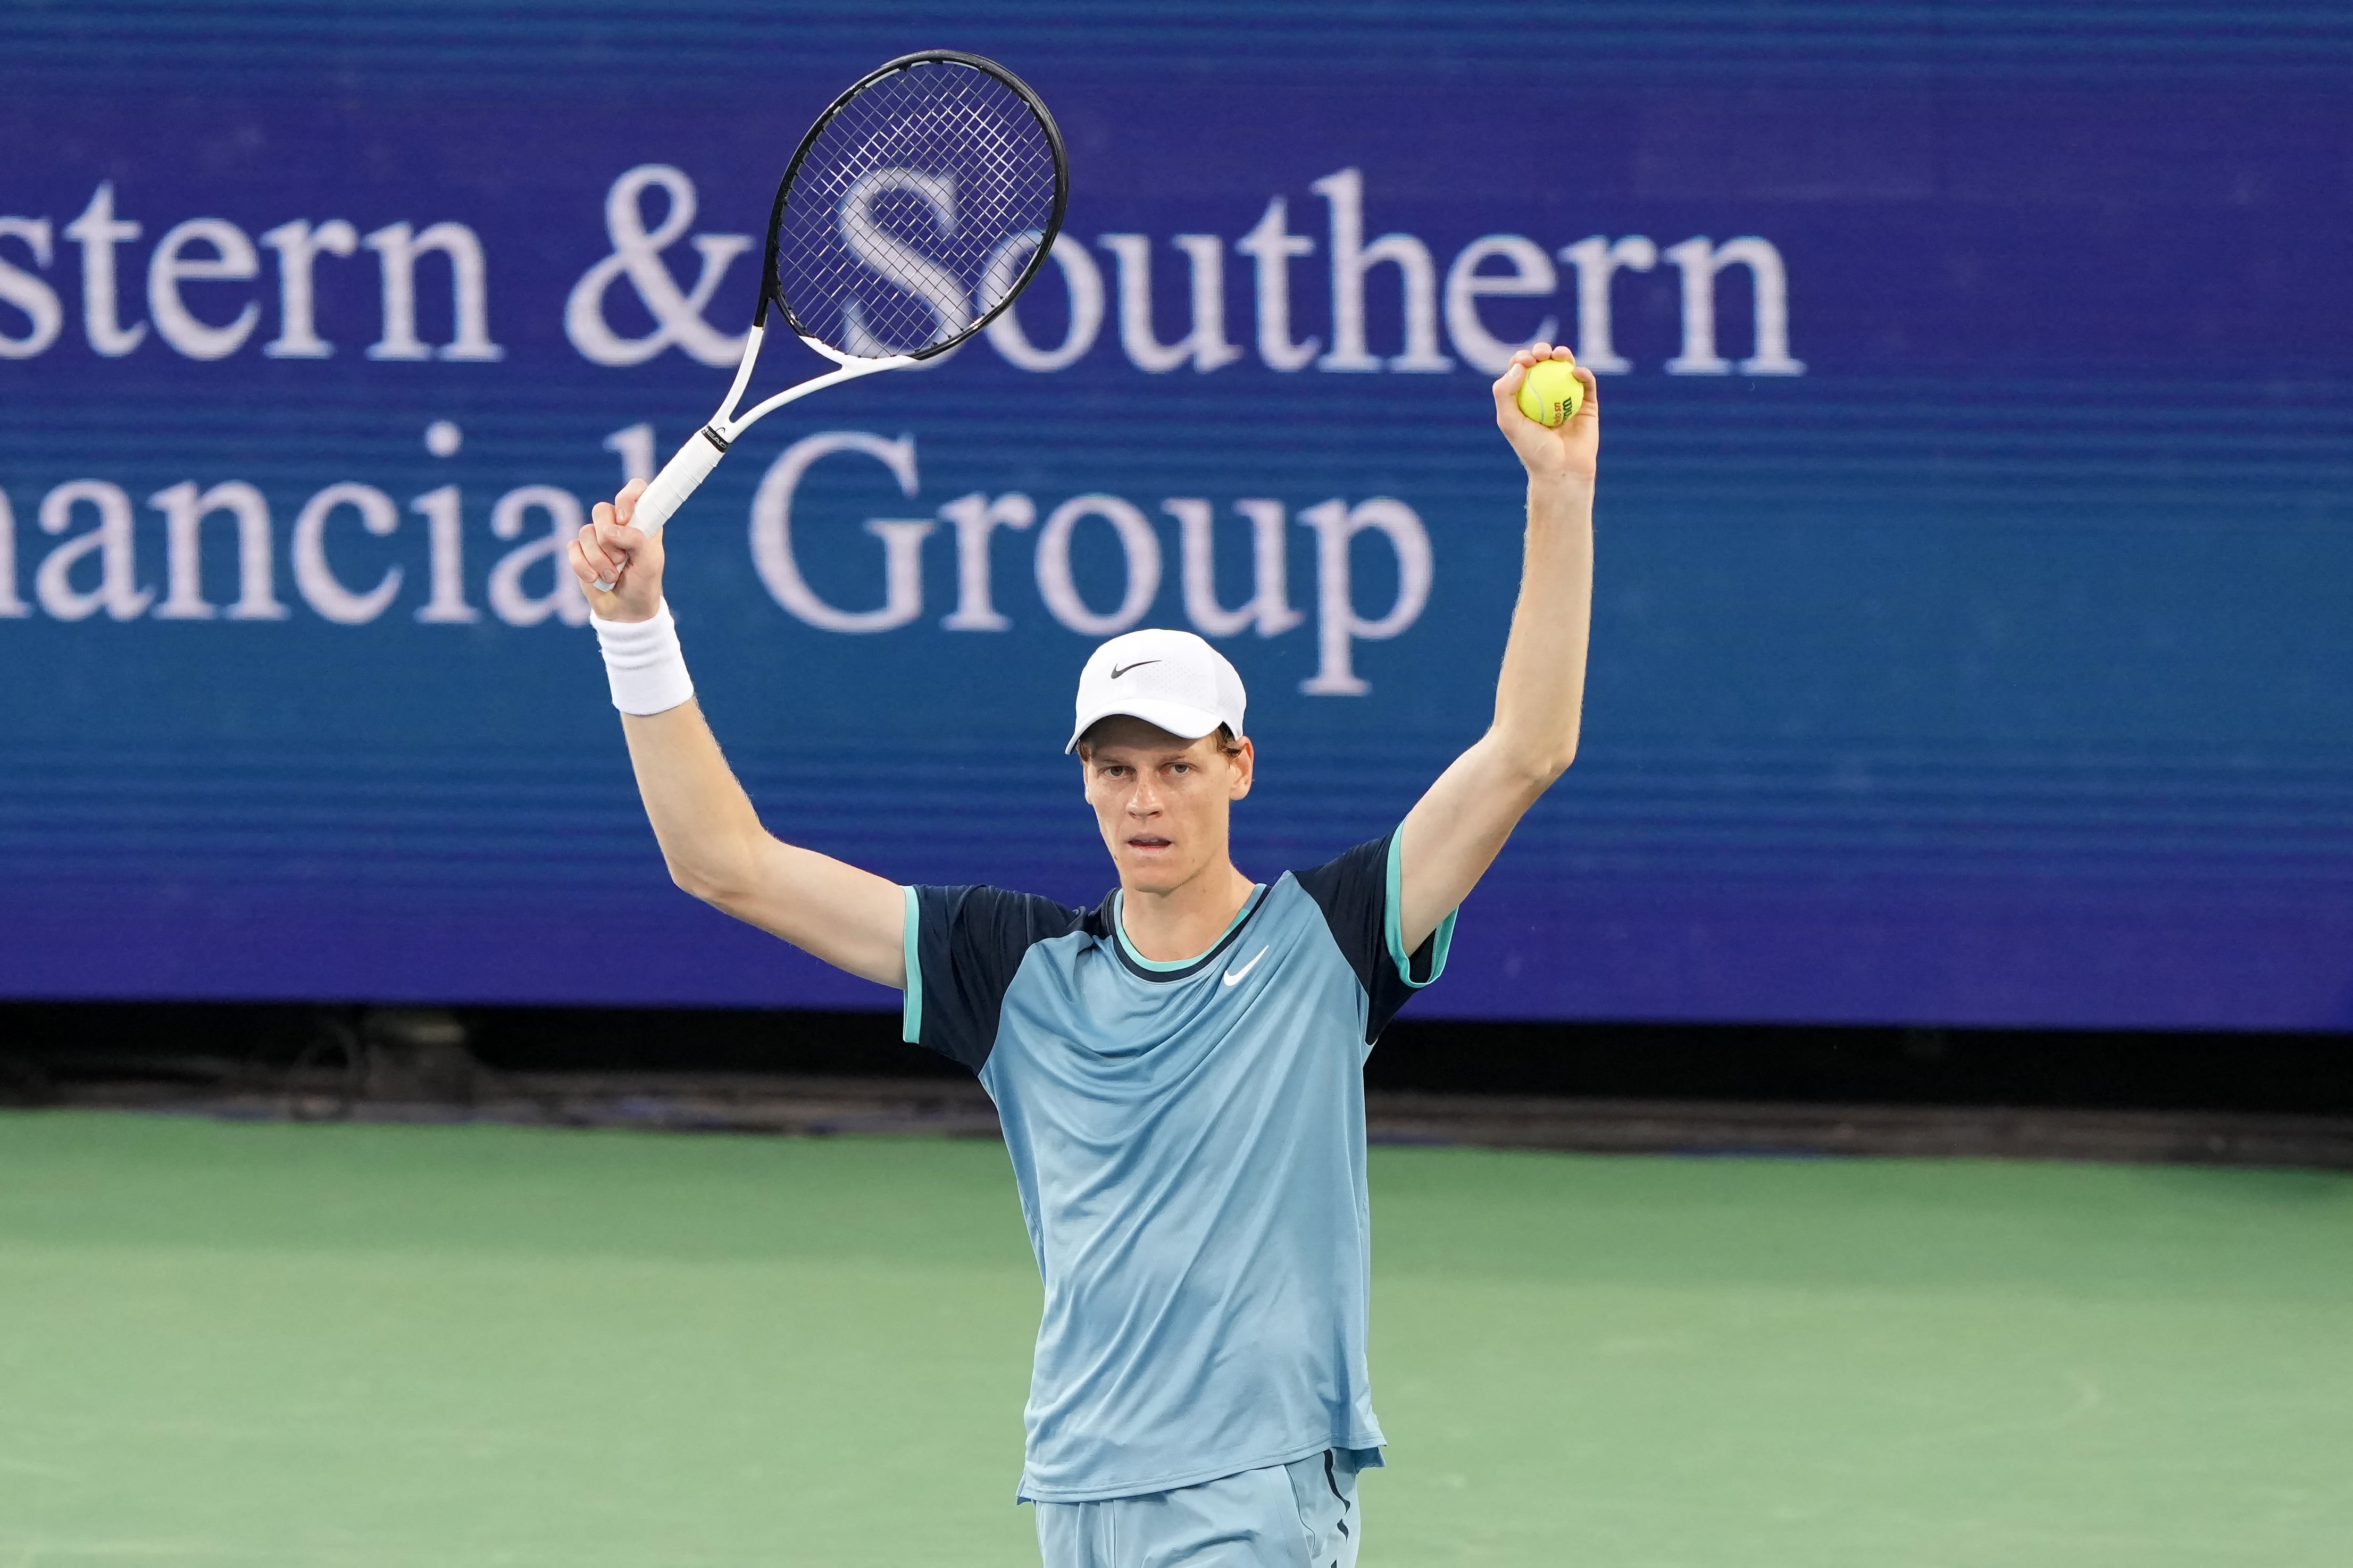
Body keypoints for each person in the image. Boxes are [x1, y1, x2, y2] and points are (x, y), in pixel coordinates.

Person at [567, 344, 1598, 1568]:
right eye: (1115, 768)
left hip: (1251, 1489)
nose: (1144, 798)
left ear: (1237, 764)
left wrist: (1557, 493)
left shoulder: (1335, 936)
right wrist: (636, 630)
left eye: (1175, 764)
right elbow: (722, 861)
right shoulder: (1012, 968)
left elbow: (1526, 749)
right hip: (1076, 1488)